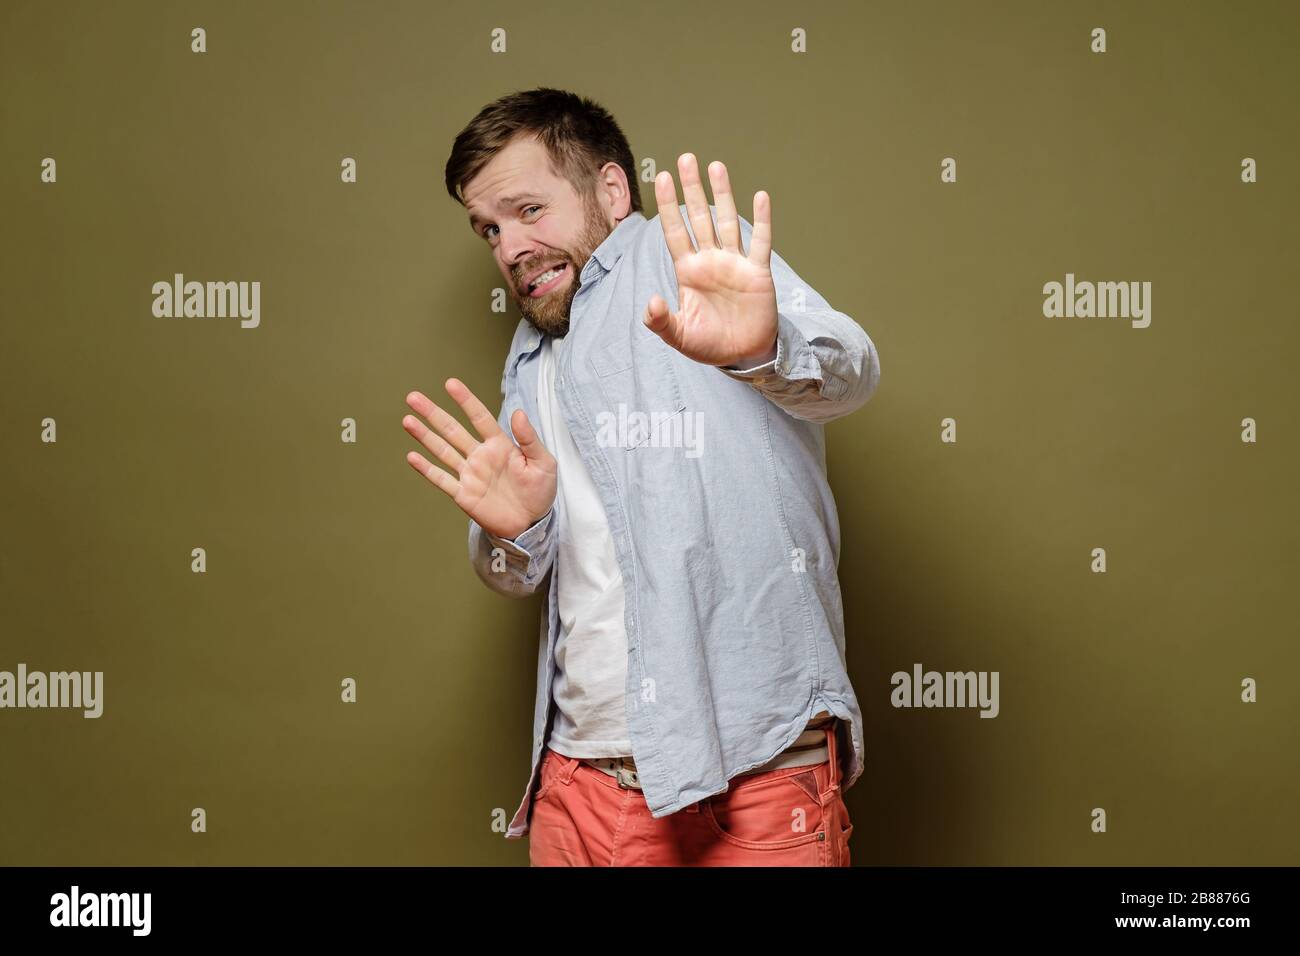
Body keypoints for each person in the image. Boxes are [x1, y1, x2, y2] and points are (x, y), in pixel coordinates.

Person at [403, 87, 881, 865]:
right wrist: (511, 535)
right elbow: (519, 578)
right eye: (489, 228)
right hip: (579, 785)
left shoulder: (684, 257)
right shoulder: (531, 353)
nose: (511, 247)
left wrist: (766, 349)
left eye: (530, 210)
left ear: (612, 192)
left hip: (753, 777)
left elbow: (851, 371)